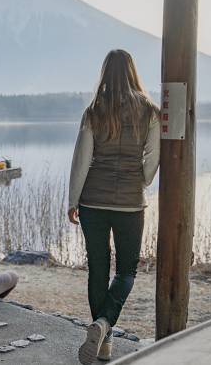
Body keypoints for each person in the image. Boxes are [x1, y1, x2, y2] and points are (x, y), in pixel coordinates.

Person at [68, 49, 160, 363]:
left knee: (97, 268)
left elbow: (82, 159)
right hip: (131, 204)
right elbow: (152, 159)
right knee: (126, 270)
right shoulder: (149, 110)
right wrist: (143, 179)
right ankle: (105, 326)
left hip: (93, 200)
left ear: (105, 73)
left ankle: (103, 339)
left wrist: (72, 200)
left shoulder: (94, 110)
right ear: (133, 72)